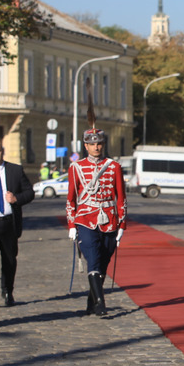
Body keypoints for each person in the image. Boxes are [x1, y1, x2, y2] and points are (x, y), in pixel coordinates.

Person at [67, 128, 127, 316]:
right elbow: (71, 199)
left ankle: (91, 300)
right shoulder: (76, 168)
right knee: (93, 259)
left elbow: (121, 198)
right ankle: (100, 302)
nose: (96, 147)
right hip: (85, 219)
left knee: (103, 262)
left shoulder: (113, 166)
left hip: (109, 220)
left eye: (99, 143)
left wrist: (122, 225)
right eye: (92, 144)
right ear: (85, 146)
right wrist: (71, 225)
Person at [0, 140, 34, 307]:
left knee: (9, 259)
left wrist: (16, 199)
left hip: (8, 222)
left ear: (2, 151)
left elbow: (30, 193)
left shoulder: (15, 170)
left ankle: (7, 290)